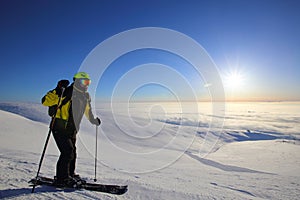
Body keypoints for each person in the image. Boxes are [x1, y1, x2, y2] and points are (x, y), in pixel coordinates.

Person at [41, 72, 101, 186]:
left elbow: (87, 110)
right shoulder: (66, 92)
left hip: (72, 129)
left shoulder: (85, 95)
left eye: (88, 82)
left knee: (72, 152)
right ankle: (61, 179)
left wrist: (93, 120)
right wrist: (58, 89)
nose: (87, 84)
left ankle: (70, 174)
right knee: (67, 152)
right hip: (59, 127)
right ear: (77, 81)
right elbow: (45, 101)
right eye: (84, 81)